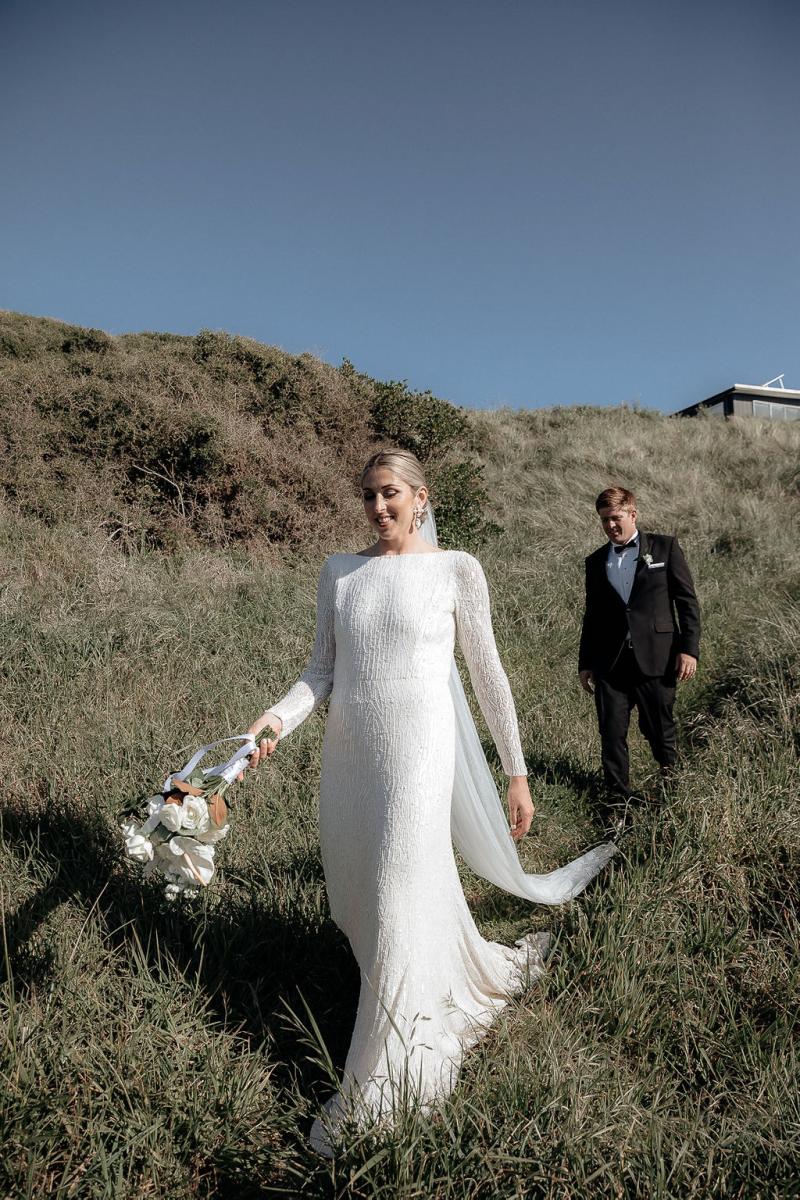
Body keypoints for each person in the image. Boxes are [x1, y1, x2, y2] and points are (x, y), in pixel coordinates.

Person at [246, 449, 614, 1154]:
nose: (378, 508)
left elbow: (489, 673)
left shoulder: (456, 569)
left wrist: (516, 772)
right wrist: (269, 723)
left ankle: (392, 1073)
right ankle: (430, 973)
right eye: (368, 497)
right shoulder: (340, 574)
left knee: (391, 890)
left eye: (390, 495)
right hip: (352, 759)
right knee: (367, 902)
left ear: (420, 497)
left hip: (420, 756)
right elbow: (319, 671)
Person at [578, 486, 701, 813]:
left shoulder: (665, 548)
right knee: (611, 733)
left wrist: (689, 649)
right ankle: (618, 801)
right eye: (604, 521)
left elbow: (687, 602)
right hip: (610, 662)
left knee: (659, 729)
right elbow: (592, 615)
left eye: (616, 518)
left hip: (657, 658)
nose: (610, 527)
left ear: (632, 514)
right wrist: (586, 662)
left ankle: (672, 788)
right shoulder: (594, 562)